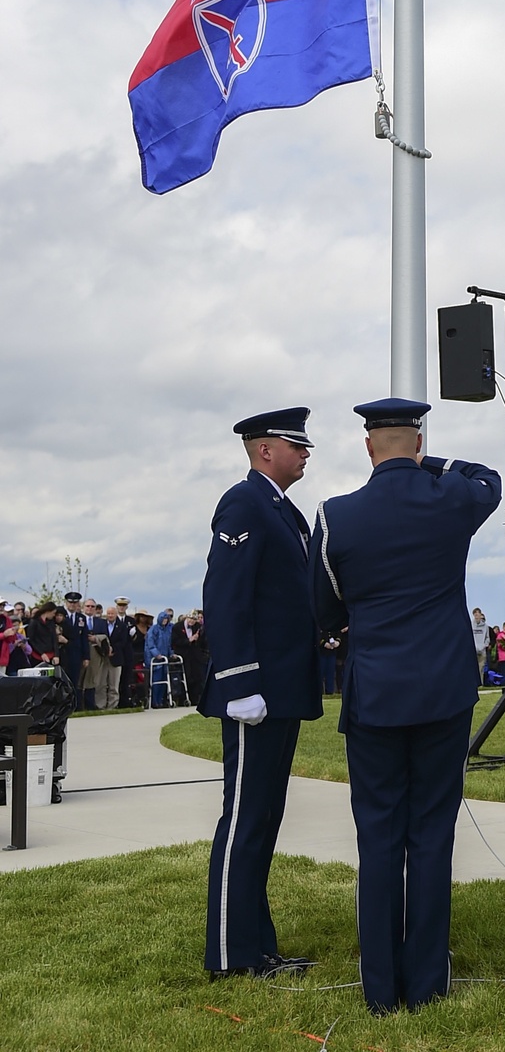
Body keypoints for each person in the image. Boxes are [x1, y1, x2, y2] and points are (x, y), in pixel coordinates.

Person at [310, 396, 502, 1016]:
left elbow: (325, 608)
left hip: (376, 692)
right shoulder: (448, 498)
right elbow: (488, 480)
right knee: (432, 833)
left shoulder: (338, 515)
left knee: (378, 836)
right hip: (443, 688)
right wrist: (430, 463)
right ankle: (427, 979)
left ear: (369, 446)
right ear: (417, 442)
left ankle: (380, 985)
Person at [200, 406, 322, 981]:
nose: (305, 452)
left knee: (263, 820)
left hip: (282, 690)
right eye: (296, 444)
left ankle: (256, 947)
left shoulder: (281, 509)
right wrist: (241, 683)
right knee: (244, 822)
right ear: (264, 449)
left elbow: (285, 601)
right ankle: (229, 954)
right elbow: (227, 598)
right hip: (257, 694)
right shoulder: (243, 503)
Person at [61, 592, 91, 705]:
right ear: (66, 603)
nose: (72, 605)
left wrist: (86, 656)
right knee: (63, 680)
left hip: (76, 654)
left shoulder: (81, 618)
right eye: (70, 602)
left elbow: (84, 638)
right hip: (64, 653)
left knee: (74, 680)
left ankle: (73, 704)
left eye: (75, 603)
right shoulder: (61, 615)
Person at [471, 608, 490, 684]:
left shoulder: (485, 626)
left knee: (481, 667)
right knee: (473, 667)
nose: (476, 616)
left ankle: (480, 683)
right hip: (473, 649)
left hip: (482, 650)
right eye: (475, 614)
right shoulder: (471, 625)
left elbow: (487, 638)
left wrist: (484, 645)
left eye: (478, 614)